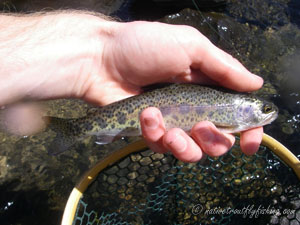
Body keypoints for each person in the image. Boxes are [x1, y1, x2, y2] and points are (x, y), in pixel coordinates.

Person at [0, 10, 264, 162]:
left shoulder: (231, 107)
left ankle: (78, 128)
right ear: (245, 109)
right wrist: (104, 50)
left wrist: (102, 51)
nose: (265, 113)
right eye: (263, 109)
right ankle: (77, 128)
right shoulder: (233, 114)